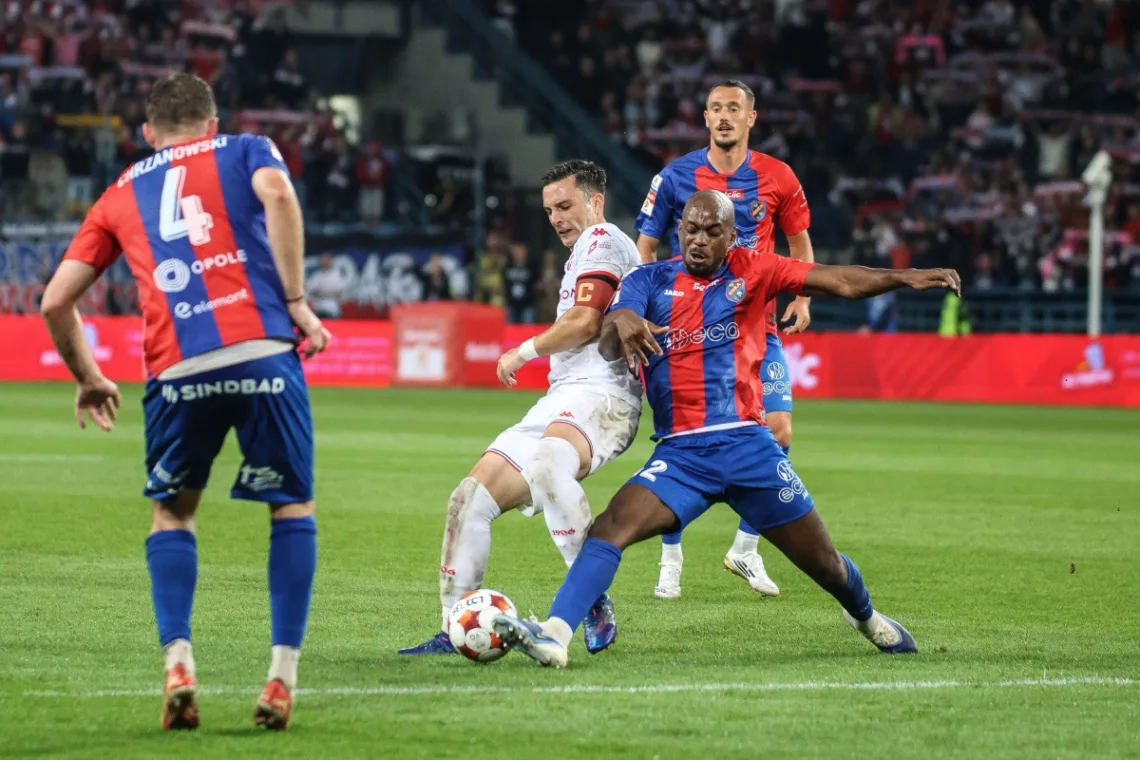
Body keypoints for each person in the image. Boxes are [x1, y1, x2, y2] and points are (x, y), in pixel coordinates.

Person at [491, 190, 961, 668]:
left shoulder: (756, 269)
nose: (699, 240)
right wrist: (622, 318)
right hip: (680, 456)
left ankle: (866, 618)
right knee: (609, 530)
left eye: (712, 232)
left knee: (826, 565)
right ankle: (555, 635)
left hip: (748, 447)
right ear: (679, 231)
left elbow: (837, 280)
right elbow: (611, 344)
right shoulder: (648, 279)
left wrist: (902, 277)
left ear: (731, 236)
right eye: (691, 230)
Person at [38, 73, 330, 731]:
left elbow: (55, 300)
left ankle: (178, 664)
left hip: (177, 369)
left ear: (148, 133)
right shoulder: (246, 148)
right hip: (262, 350)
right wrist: (295, 301)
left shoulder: (120, 191)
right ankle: (281, 679)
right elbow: (279, 194)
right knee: (291, 506)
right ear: (212, 123)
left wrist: (89, 376)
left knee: (172, 513)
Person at [398, 160, 641, 657]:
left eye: (565, 205)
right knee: (469, 499)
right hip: (563, 396)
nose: (556, 218)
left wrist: (522, 351)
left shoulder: (604, 240)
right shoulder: (580, 255)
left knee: (550, 466)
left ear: (595, 201)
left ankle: (590, 600)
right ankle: (454, 627)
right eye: (549, 210)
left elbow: (585, 321)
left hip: (604, 395)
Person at [634, 79, 815, 600]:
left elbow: (799, 242)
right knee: (681, 438)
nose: (724, 116)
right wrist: (647, 306)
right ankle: (671, 558)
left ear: (751, 117)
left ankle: (745, 548)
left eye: (734, 108)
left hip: (755, 327)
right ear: (706, 118)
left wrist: (802, 298)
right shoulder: (675, 175)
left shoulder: (778, 176)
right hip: (687, 329)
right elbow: (646, 246)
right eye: (715, 108)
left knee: (778, 428)